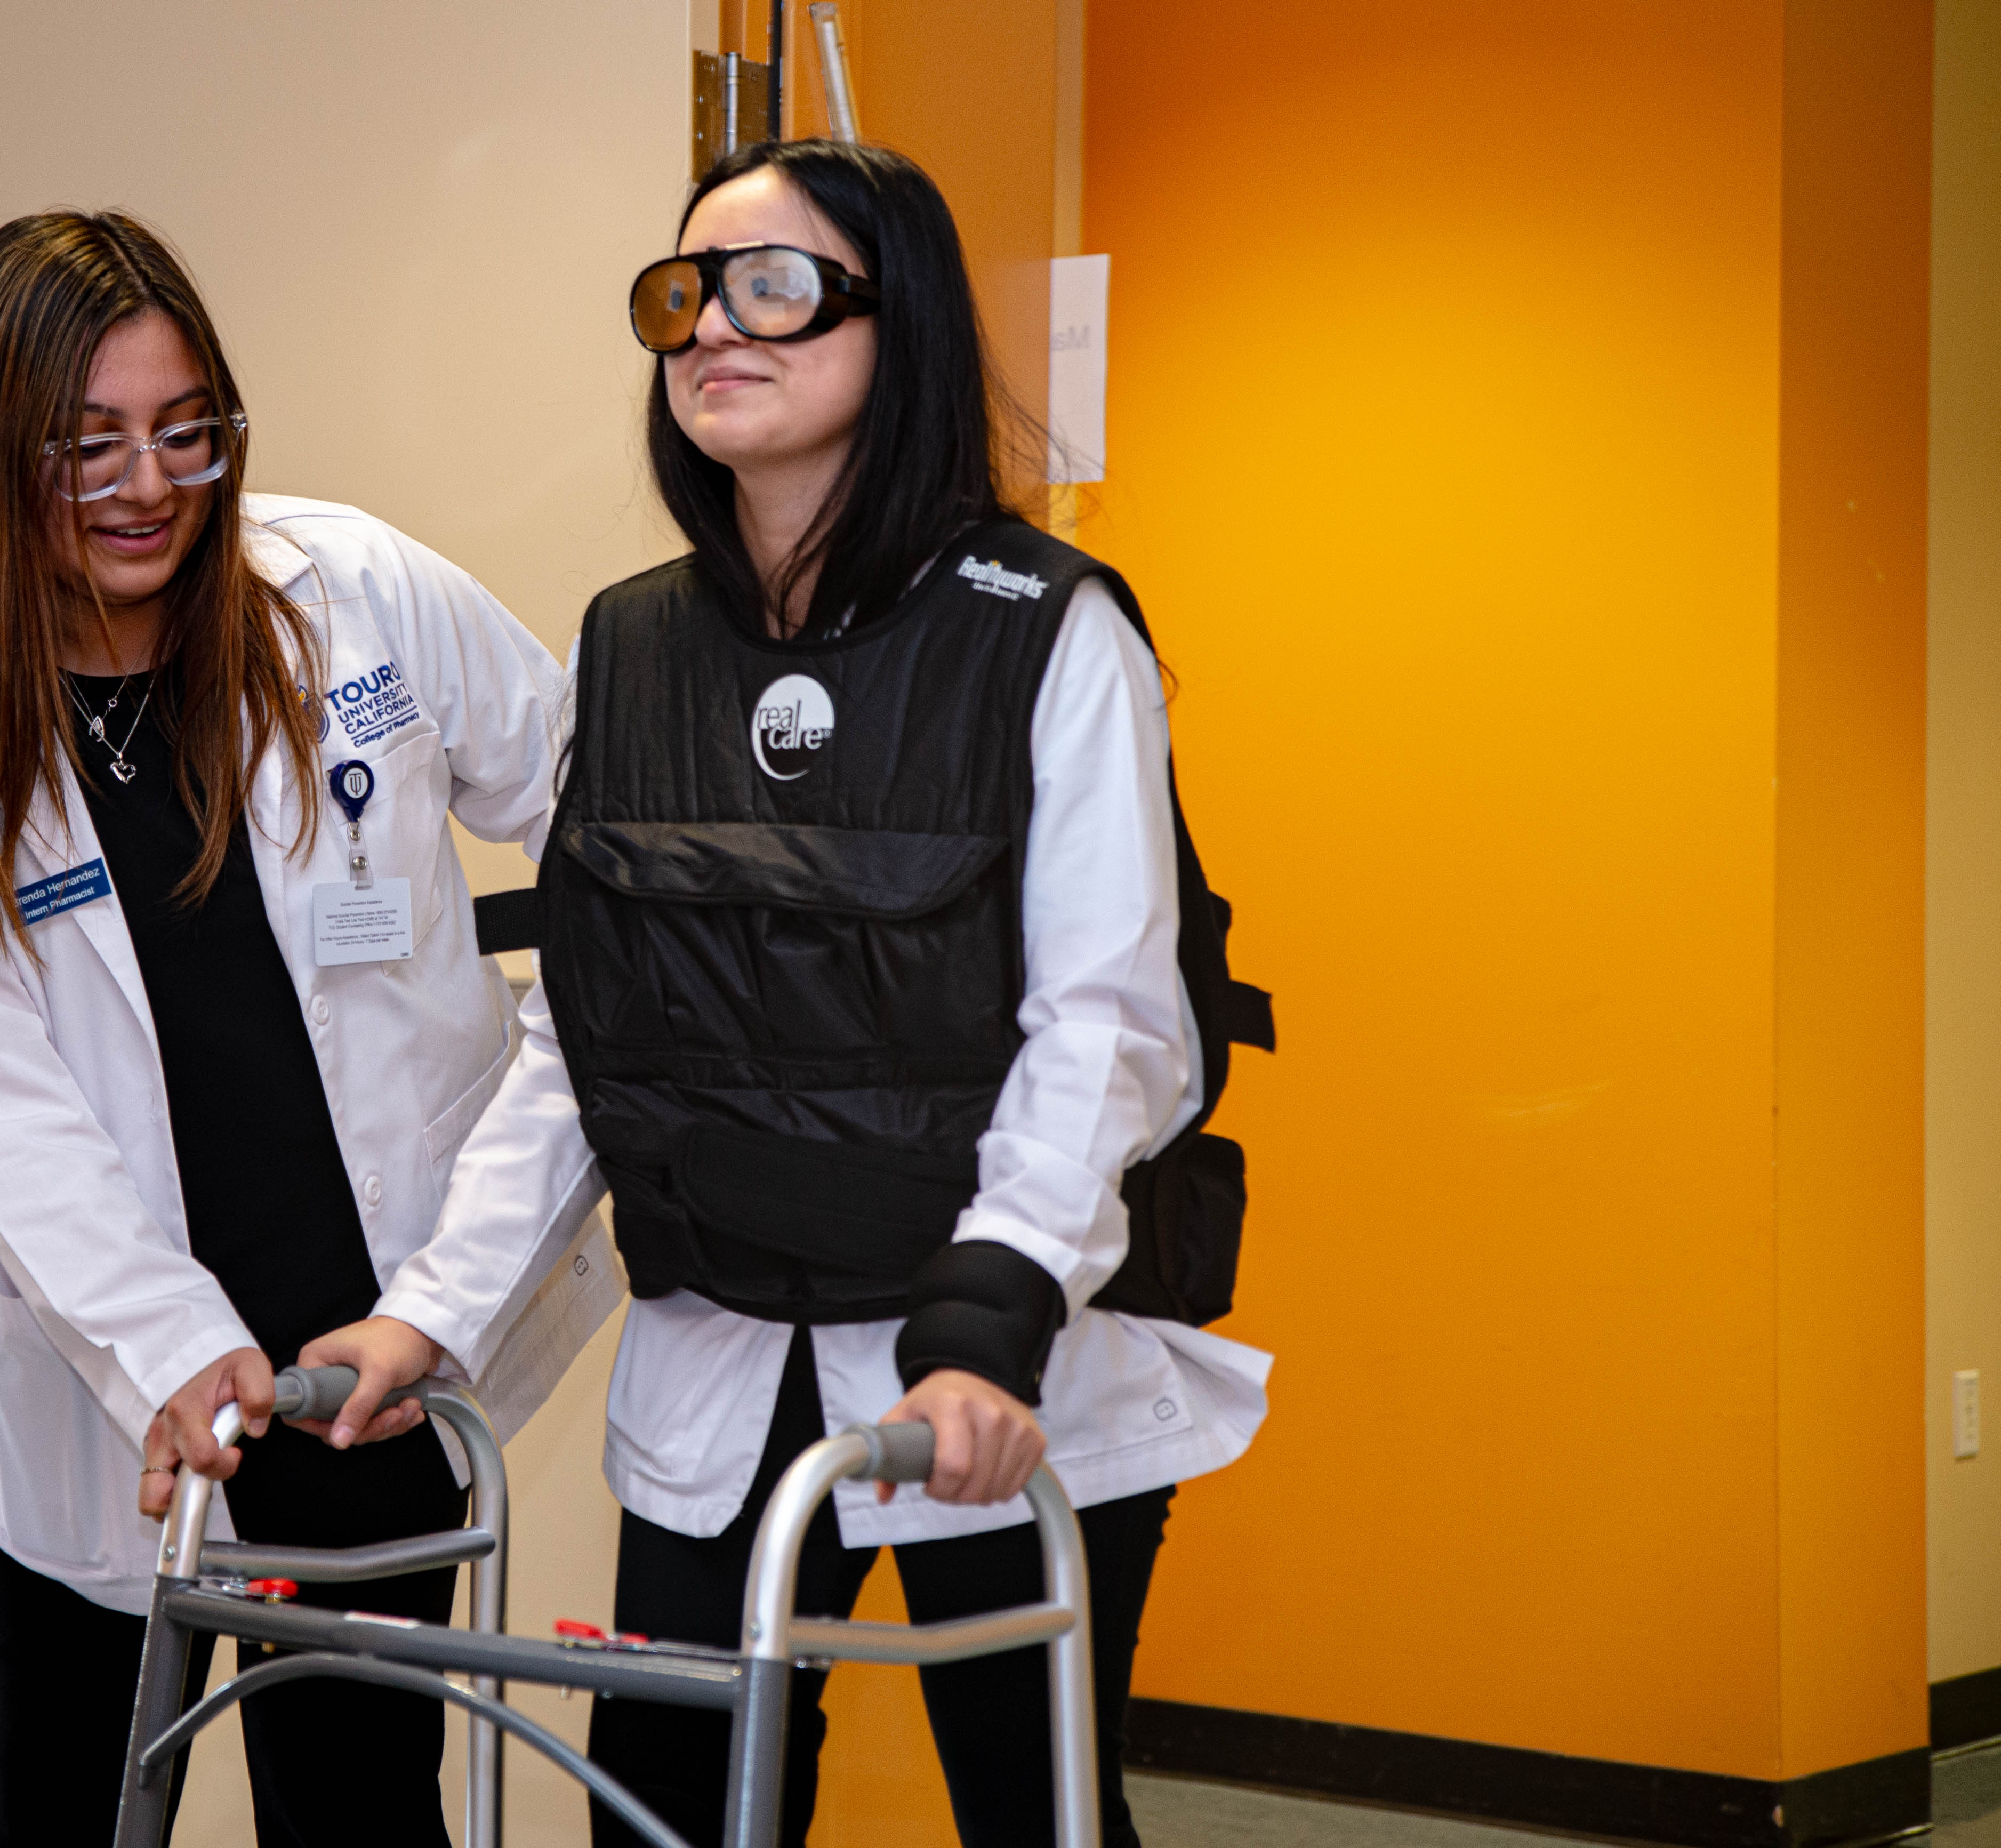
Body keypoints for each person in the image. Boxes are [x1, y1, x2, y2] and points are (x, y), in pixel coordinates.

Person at [301, 141, 1273, 1847]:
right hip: (720, 1346)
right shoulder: (635, 643)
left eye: (773, 285)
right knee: (667, 1814)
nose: (710, 331)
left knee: (1033, 1813)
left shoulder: (1046, 632)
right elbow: (584, 1037)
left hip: (984, 1359)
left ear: (895, 328)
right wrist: (432, 1313)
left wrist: (983, 1331)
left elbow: (1104, 1028)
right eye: (682, 293)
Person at [0, 209, 615, 1847]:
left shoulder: (353, 592)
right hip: (126, 1396)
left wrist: (455, 1292)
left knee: (363, 1813)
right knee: (70, 1807)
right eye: (85, 442)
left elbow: (615, 853)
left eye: (186, 431)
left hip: (368, 1363)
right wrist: (162, 1339)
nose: (146, 483)